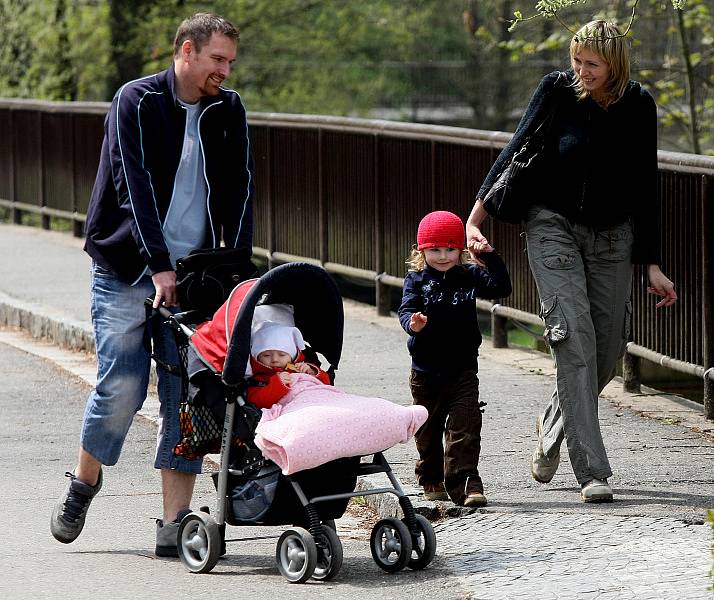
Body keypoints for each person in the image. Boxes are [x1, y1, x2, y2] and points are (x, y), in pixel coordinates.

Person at [50, 12, 255, 557]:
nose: (225, 71)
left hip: (193, 277)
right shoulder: (135, 102)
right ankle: (84, 482)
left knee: (185, 397)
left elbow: (240, 190)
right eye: (217, 59)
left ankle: (174, 522)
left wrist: (232, 273)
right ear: (186, 51)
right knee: (121, 386)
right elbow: (132, 187)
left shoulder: (227, 109)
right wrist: (157, 264)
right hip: (126, 267)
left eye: (230, 61)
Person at [465, 20, 678, 503]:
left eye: (592, 65)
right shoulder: (558, 91)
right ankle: (592, 472)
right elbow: (517, 146)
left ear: (615, 65)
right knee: (573, 336)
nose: (581, 71)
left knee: (608, 343)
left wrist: (652, 263)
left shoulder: (639, 105)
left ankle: (555, 416)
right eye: (576, 61)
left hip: (613, 236)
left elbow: (647, 184)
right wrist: (474, 217)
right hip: (551, 225)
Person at [398, 210, 512, 507]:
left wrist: (489, 256)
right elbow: (405, 310)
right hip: (425, 370)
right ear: (422, 250)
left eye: (450, 249)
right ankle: (430, 475)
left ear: (461, 250)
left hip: (462, 367)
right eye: (435, 250)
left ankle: (466, 483)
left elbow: (502, 287)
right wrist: (414, 323)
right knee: (428, 428)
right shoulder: (417, 280)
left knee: (466, 424)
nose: (443, 256)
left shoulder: (469, 275)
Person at [247, 322, 332, 408]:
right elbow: (258, 401)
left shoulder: (301, 368)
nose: (275, 360)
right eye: (267, 355)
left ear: (292, 356)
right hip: (295, 408)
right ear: (257, 358)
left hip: (319, 399)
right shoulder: (259, 379)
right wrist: (277, 385)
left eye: (282, 355)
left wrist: (312, 372)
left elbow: (326, 383)